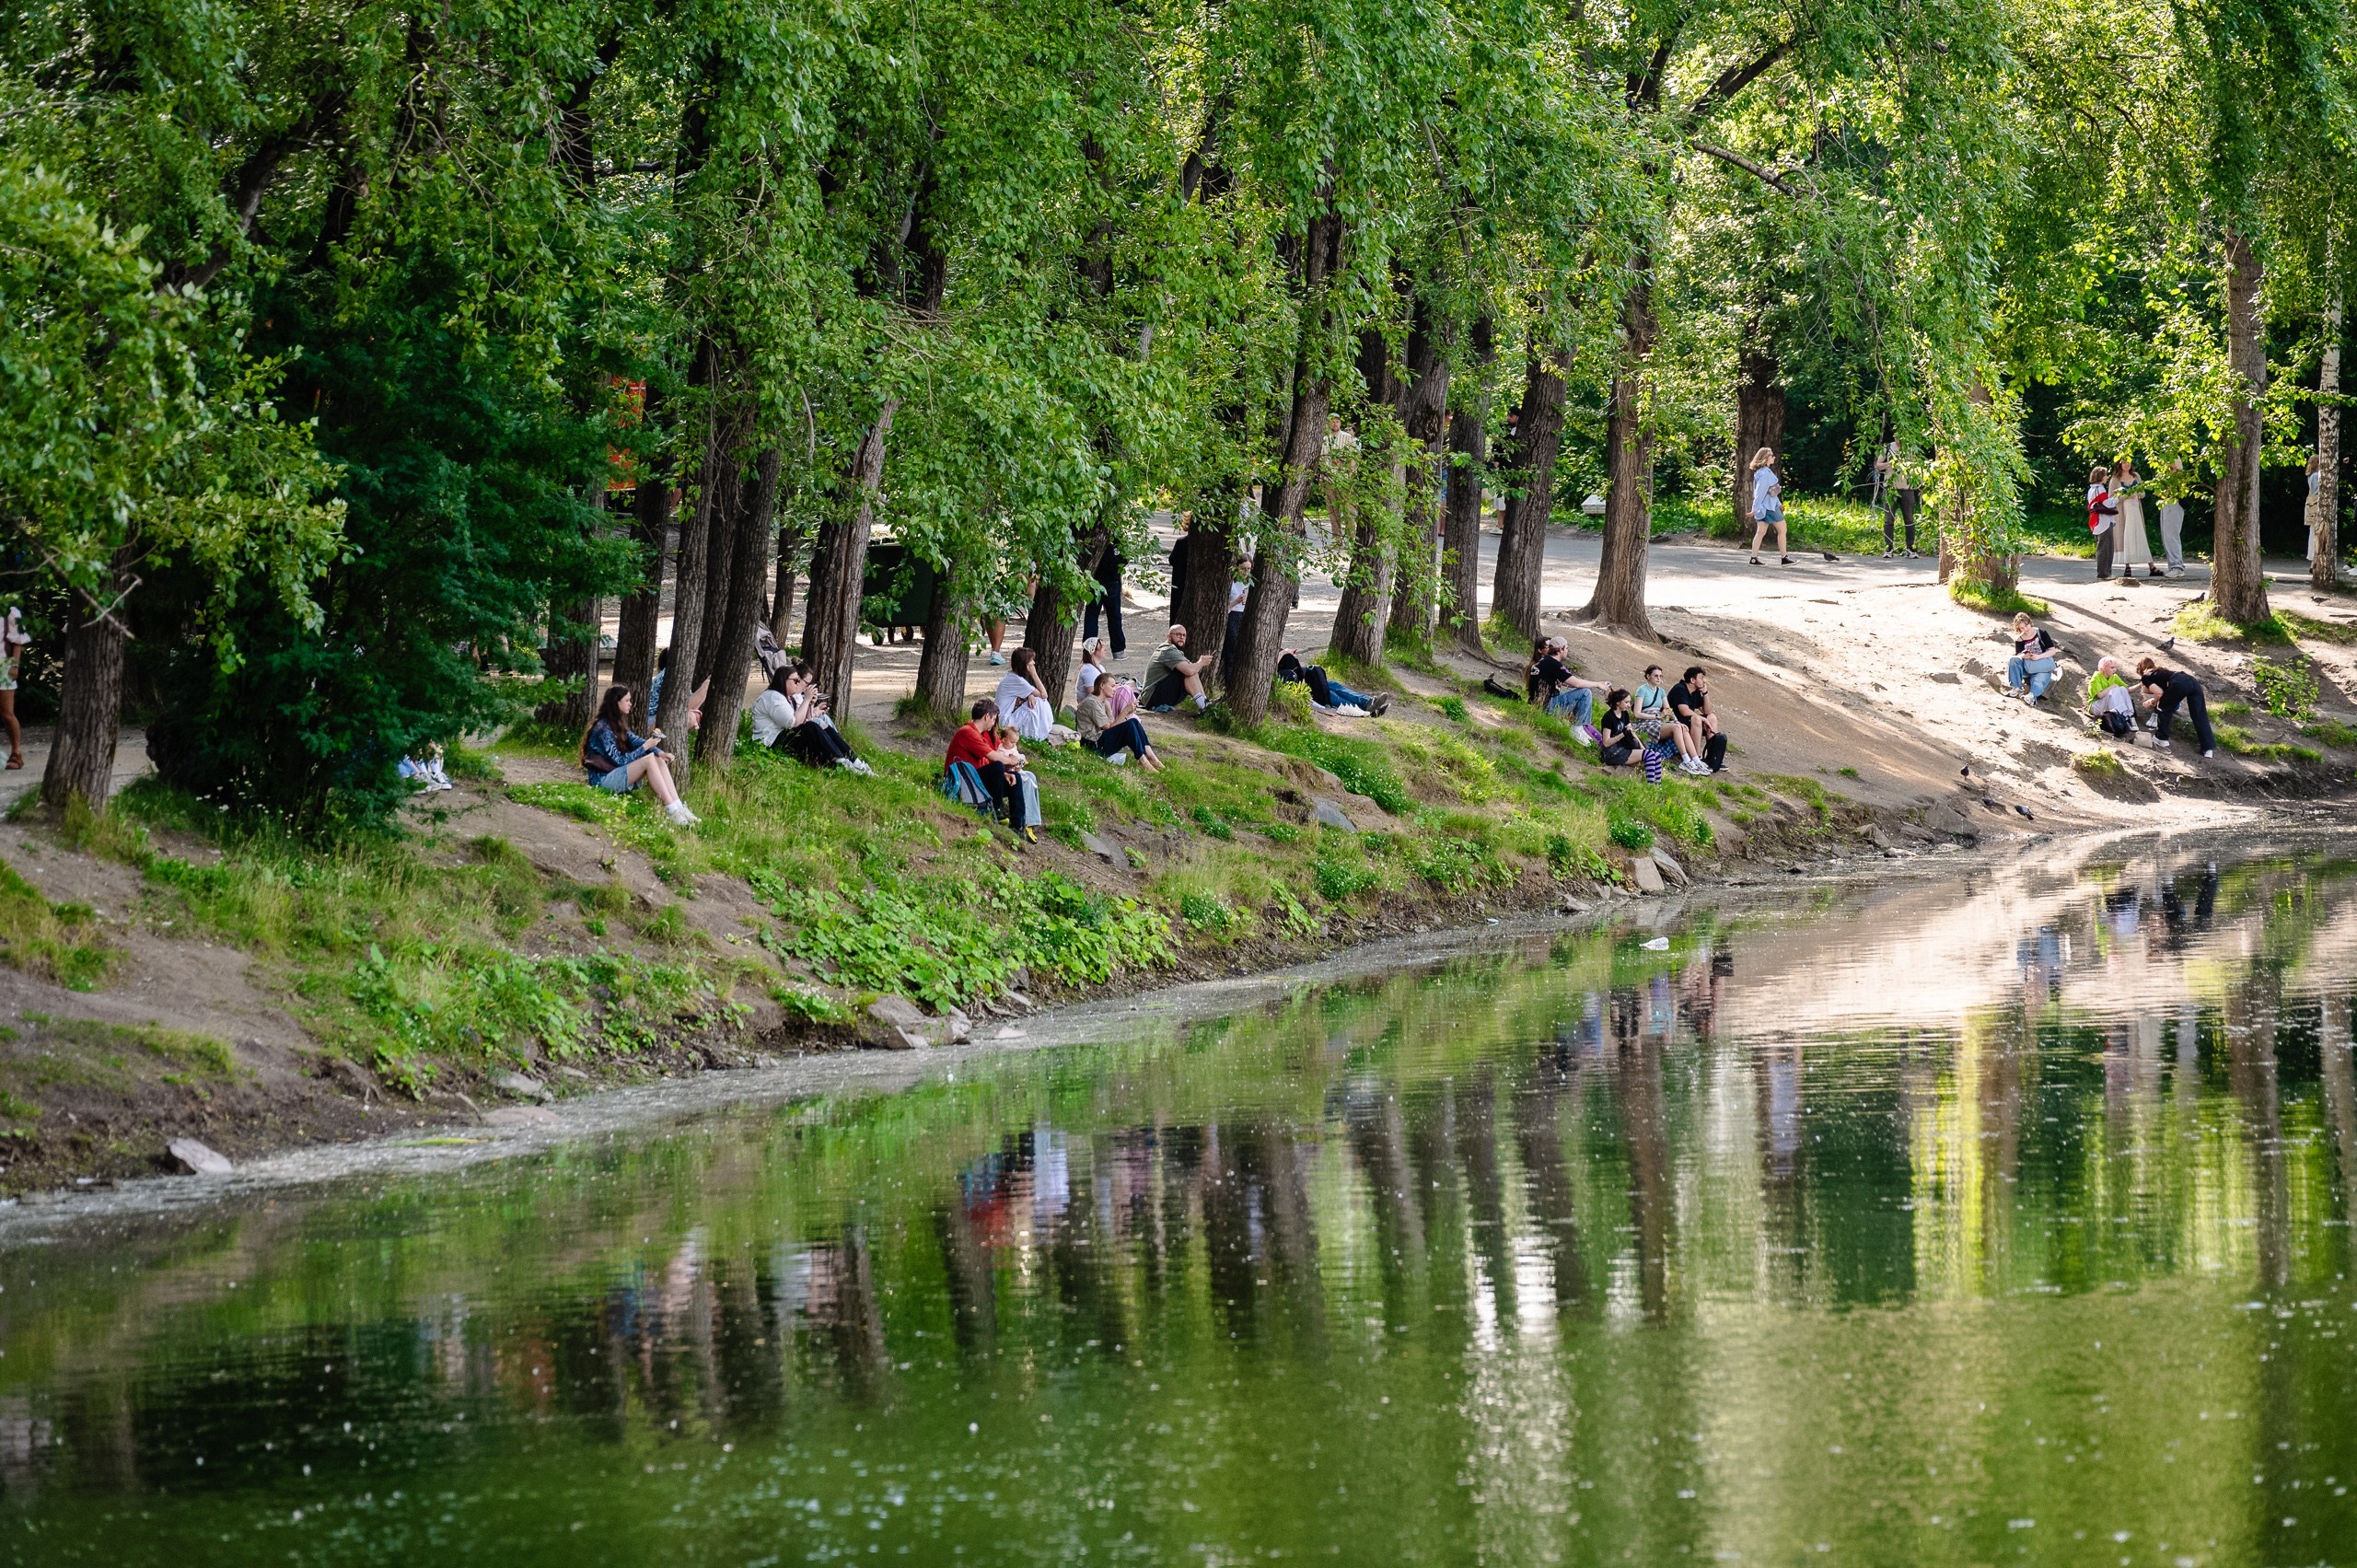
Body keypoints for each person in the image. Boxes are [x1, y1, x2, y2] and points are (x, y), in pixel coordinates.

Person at [580, 684, 698, 825]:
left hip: (613, 774)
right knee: (648, 761)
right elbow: (619, 761)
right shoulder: (603, 728)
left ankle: (679, 807)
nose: (631, 704)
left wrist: (660, 752)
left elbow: (635, 740)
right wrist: (645, 747)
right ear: (616, 703)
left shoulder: (616, 723)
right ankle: (671, 811)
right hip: (602, 780)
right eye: (627, 700)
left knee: (657, 759)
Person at [945, 698, 1042, 842]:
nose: (994, 723)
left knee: (1015, 777)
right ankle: (996, 808)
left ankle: (1018, 825)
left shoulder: (979, 735)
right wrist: (1010, 761)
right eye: (994, 719)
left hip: (976, 780)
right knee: (997, 765)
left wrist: (1006, 773)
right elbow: (993, 757)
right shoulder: (967, 732)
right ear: (986, 717)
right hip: (967, 783)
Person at [751, 663, 870, 772]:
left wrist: (810, 704)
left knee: (824, 727)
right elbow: (793, 723)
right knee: (812, 727)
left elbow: (804, 721)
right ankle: (841, 763)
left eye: (799, 681)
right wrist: (807, 700)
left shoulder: (786, 697)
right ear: (783, 680)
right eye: (795, 681)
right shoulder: (774, 697)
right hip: (770, 743)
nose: (798, 684)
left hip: (782, 738)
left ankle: (856, 762)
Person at [1078, 672, 1163, 769]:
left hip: (1099, 740)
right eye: (1112, 686)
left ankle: (1152, 757)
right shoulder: (1091, 703)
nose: (1115, 689)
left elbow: (1113, 723)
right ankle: (1143, 761)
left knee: (1133, 722)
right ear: (1102, 685)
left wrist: (1126, 714)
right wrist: (1125, 711)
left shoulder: (1103, 702)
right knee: (1129, 726)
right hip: (1092, 745)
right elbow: (1107, 728)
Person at [2134, 656, 2215, 758]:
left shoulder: (2145, 677)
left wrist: (2154, 700)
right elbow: (2163, 693)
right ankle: (2208, 749)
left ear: (2141, 670)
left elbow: (2159, 693)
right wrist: (2155, 699)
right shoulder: (2160, 671)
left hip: (2179, 683)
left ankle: (2161, 738)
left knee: (2163, 708)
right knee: (2199, 715)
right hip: (2193, 682)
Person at [1276, 649, 1388, 715]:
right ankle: (1368, 709)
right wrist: (1283, 653)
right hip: (1294, 684)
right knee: (1329, 693)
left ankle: (1368, 702)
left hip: (1302, 676)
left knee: (1335, 685)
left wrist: (1286, 652)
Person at [1666, 666, 1726, 773]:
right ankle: (1696, 757)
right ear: (1692, 680)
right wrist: (1703, 720)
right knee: (1697, 719)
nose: (1704, 681)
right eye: (1701, 678)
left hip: (1690, 723)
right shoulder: (1680, 688)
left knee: (1712, 717)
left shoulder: (1695, 692)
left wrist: (1705, 693)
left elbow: (1707, 711)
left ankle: (1712, 758)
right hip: (1675, 722)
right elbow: (1684, 711)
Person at [1144, 623, 1213, 711]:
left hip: (1155, 695)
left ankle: (1205, 702)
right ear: (1169, 637)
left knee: (1191, 670)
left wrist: (1198, 664)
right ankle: (1204, 707)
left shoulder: (1174, 650)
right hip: (1152, 699)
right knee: (1187, 673)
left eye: (1184, 635)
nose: (1182, 637)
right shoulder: (1168, 650)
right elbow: (1189, 671)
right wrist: (1201, 662)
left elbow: (1192, 668)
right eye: (1178, 634)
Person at [994, 647, 1055, 742]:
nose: (1034, 663)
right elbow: (1044, 695)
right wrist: (1034, 674)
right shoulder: (1018, 680)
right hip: (1004, 721)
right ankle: (1038, 735)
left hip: (1000, 717)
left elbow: (1024, 692)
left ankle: (1040, 731)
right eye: (1031, 660)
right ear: (1024, 664)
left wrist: (1030, 695)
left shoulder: (1012, 676)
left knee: (1036, 700)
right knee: (1040, 702)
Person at [1877, 443, 1923, 559]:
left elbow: (1918, 465)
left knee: (1909, 519)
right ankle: (1889, 548)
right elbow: (1878, 465)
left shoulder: (1911, 446)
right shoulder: (1887, 447)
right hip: (1890, 489)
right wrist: (1890, 464)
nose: (1899, 440)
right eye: (1896, 436)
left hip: (1907, 488)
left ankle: (1910, 548)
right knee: (1889, 519)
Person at [2112, 459, 2155, 581]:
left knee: (2140, 535)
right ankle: (2127, 566)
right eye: (2124, 462)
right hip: (2123, 512)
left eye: (2129, 462)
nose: (2127, 465)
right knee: (2126, 536)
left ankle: (2151, 566)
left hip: (2135, 509)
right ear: (2119, 464)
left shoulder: (2136, 476)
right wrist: (2126, 495)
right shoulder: (2115, 479)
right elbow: (2111, 497)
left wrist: (2137, 494)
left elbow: (2143, 493)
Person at [650, 645, 708, 733]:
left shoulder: (667, 675)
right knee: (691, 717)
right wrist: (706, 686)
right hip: (651, 720)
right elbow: (685, 707)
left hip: (653, 718)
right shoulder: (672, 675)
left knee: (693, 715)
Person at [1082, 540, 1125, 657]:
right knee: (1114, 616)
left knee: (1092, 615)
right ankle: (1118, 651)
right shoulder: (1117, 540)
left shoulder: (1093, 536)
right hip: (1112, 581)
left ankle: (1089, 650)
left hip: (1095, 580)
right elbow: (1124, 559)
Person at [2006, 612, 2061, 703]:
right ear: (2018, 629)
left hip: (2042, 666)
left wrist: (2039, 656)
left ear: (2030, 622)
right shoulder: (2019, 639)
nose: (2026, 629)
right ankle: (2017, 688)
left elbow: (2052, 651)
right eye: (2022, 628)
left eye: (2026, 626)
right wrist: (2023, 656)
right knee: (2013, 660)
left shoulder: (2041, 633)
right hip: (2027, 667)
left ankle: (2032, 696)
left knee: (2039, 681)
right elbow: (2018, 656)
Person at [0, 607, 26, 770]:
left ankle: (16, 752)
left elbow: (18, 641)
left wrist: (14, 666)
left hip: (3, 666)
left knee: (6, 713)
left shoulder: (9, 611)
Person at [2085, 656, 2138, 738]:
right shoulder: (2096, 678)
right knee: (2115, 690)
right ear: (2104, 668)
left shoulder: (2114, 677)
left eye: (2115, 667)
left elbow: (2127, 690)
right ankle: (2119, 717)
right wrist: (2112, 687)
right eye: (2112, 668)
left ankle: (2129, 716)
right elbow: (2100, 695)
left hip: (2108, 705)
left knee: (2122, 689)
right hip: (2096, 706)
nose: (2114, 670)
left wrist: (2139, 685)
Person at [1596, 690, 1649, 769]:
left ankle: (1654, 780)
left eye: (1630, 702)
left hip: (1624, 747)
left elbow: (1632, 732)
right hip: (1612, 752)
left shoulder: (1624, 713)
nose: (1629, 705)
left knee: (1653, 756)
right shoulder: (1608, 717)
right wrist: (1623, 734)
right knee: (1650, 756)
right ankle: (1652, 780)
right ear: (1618, 702)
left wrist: (1644, 749)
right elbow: (1606, 743)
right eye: (1626, 702)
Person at [2086, 464, 2119, 580]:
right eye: (2105, 475)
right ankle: (2104, 573)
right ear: (2101, 476)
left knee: (2104, 547)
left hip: (2097, 521)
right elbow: (2108, 504)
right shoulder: (2100, 489)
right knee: (2105, 548)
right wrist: (2118, 497)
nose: (2107, 477)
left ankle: (2105, 572)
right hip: (2103, 521)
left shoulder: (2092, 489)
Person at [2156, 460, 2188, 578]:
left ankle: (2177, 567)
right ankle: (2173, 566)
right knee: (2166, 537)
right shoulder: (2166, 478)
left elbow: (2170, 492)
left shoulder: (2178, 478)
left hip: (2174, 505)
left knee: (2171, 536)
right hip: (2166, 504)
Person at [1633, 664, 1673, 741]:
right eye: (1656, 676)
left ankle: (1694, 753)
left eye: (1660, 676)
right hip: (1647, 722)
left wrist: (1676, 720)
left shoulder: (1661, 691)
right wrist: (1657, 716)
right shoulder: (1642, 690)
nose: (1658, 678)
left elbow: (1668, 709)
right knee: (1676, 728)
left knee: (1682, 727)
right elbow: (1637, 714)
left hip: (1658, 721)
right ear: (1648, 676)